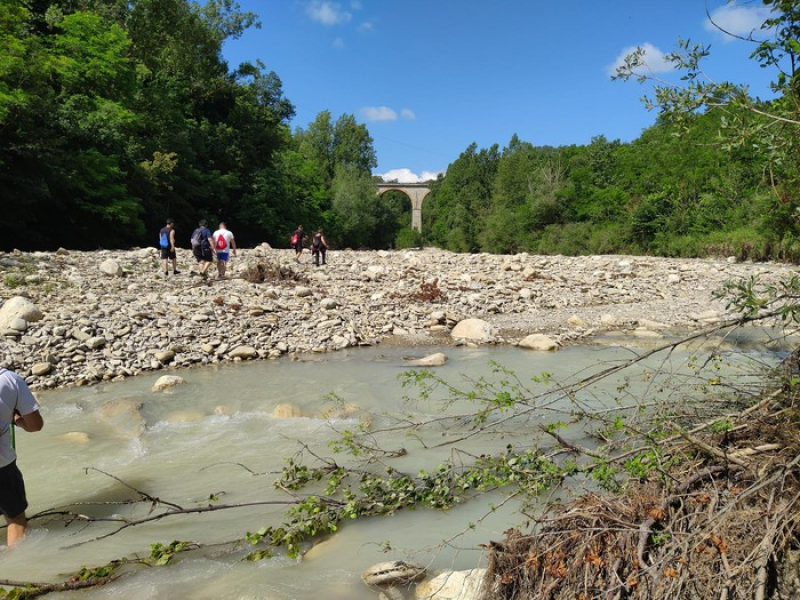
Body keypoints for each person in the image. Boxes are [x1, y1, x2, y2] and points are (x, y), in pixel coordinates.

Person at [0, 368, 43, 547]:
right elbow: (35, 425)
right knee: (15, 518)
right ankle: (16, 565)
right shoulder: (9, 379)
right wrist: (16, 419)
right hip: (2, 466)